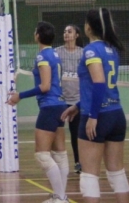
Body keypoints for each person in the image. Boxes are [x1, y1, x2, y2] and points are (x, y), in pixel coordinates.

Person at [61, 9, 129, 203]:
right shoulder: (112, 48)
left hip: (98, 116)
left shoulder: (91, 50)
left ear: (88, 27)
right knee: (117, 172)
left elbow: (99, 83)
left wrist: (92, 116)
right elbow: (100, 86)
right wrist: (78, 105)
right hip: (116, 114)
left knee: (89, 175)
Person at [7, 22, 69, 203]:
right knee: (59, 154)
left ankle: (60, 197)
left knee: (42, 155)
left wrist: (20, 95)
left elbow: (45, 86)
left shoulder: (43, 57)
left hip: (49, 107)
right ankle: (60, 196)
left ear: (37, 36)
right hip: (60, 105)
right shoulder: (56, 55)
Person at [55, 25, 82, 174]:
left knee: (76, 134)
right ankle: (57, 164)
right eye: (64, 31)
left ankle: (79, 162)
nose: (66, 33)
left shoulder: (83, 53)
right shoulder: (56, 52)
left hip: (77, 100)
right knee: (56, 132)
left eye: (69, 31)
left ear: (77, 35)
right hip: (60, 99)